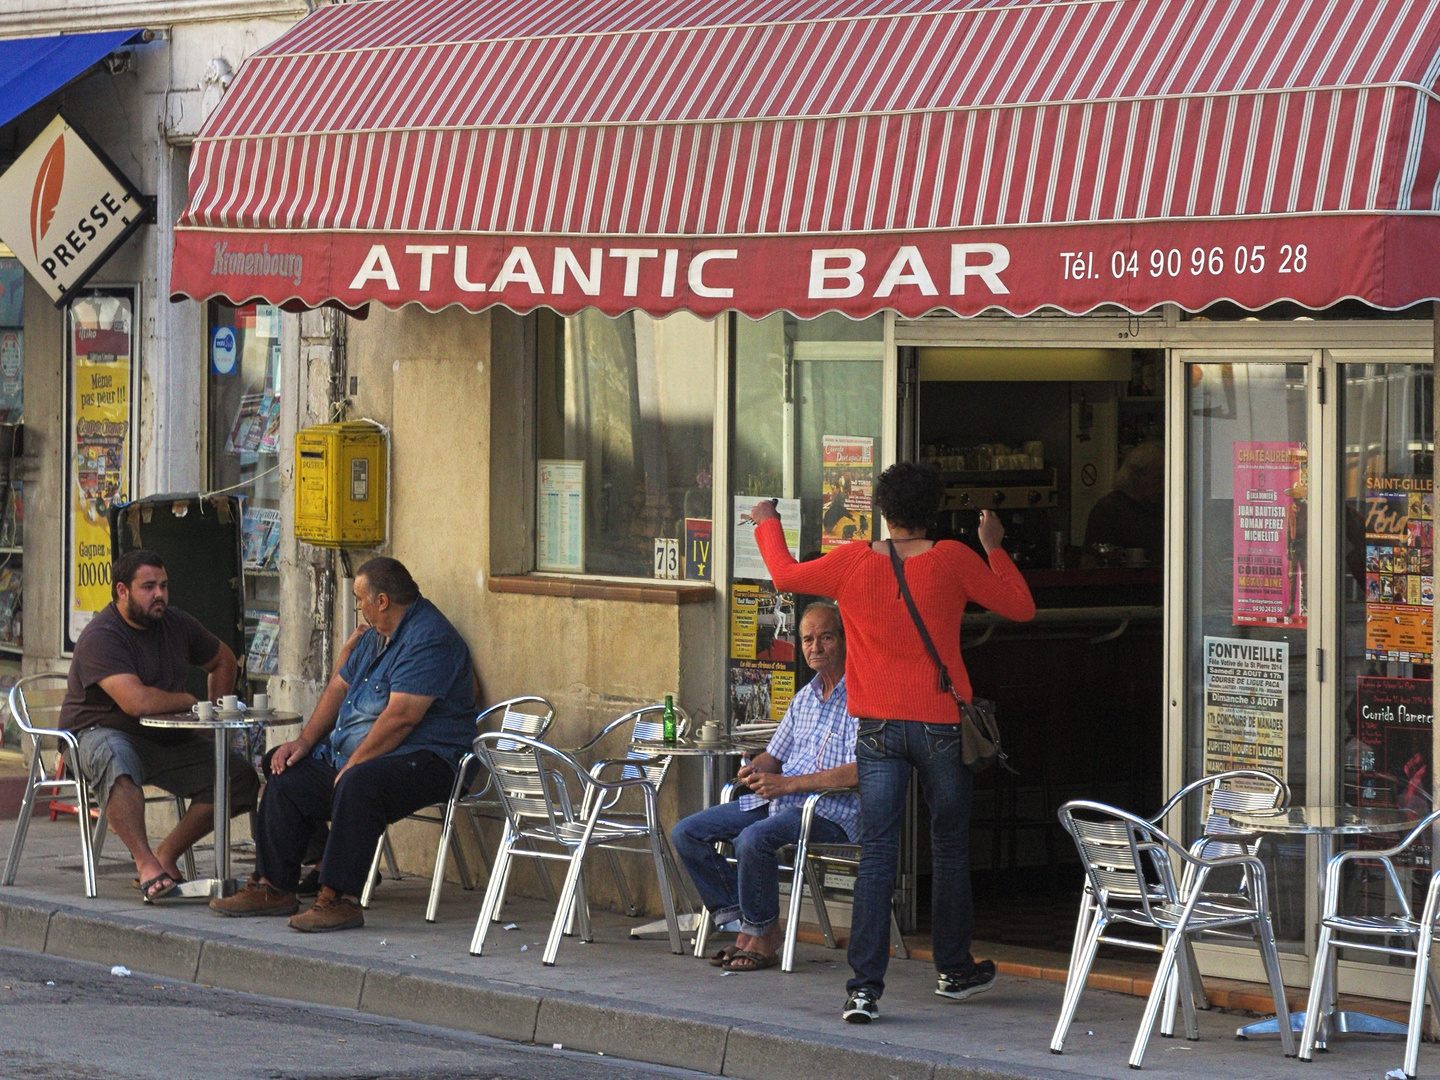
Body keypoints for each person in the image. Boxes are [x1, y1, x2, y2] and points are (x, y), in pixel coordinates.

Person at [750, 461, 1035, 1024]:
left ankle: (863, 991)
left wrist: (765, 520)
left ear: (882, 510)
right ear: (935, 509)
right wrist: (993, 545)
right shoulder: (953, 558)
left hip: (876, 729)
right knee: (949, 846)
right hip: (939, 725)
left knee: (878, 852)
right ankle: (954, 971)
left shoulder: (853, 561)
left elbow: (783, 575)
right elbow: (1022, 608)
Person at [209, 557, 476, 932]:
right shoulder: (372, 637)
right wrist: (302, 743)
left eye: (360, 599)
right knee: (284, 769)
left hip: (432, 760)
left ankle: (339, 898)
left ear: (382, 600)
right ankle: (273, 886)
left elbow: (402, 717)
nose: (357, 607)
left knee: (358, 782)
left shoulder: (430, 638)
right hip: (369, 756)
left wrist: (354, 763)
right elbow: (339, 687)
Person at [59, 549, 258, 903]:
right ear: (122, 591)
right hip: (96, 733)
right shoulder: (101, 635)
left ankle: (167, 853)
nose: (159, 595)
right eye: (148, 587)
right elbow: (137, 702)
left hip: (162, 737)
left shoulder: (176, 622)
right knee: (117, 760)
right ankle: (146, 864)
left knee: (238, 777)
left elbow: (223, 659)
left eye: (164, 586)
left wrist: (212, 715)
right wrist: (190, 703)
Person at [671, 601, 858, 973]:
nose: (815, 647)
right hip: (779, 801)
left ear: (845, 640)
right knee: (686, 833)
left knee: (753, 839)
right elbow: (774, 757)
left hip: (826, 811)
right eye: (807, 640)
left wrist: (787, 784)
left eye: (825, 638)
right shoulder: (805, 697)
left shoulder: (862, 696)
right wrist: (753, 767)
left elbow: (859, 772)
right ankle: (748, 922)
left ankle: (762, 935)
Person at [1082, 441, 1164, 565]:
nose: (1164, 485)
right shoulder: (1109, 510)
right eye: (1158, 478)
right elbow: (1091, 562)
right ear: (1137, 475)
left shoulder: (1159, 508)